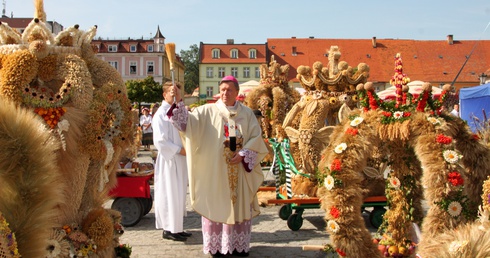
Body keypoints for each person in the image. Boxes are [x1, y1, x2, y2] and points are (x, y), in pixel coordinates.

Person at [167, 75, 268, 257]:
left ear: (237, 92)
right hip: (215, 170)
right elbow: (185, 124)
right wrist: (179, 99)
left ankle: (237, 246)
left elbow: (256, 138)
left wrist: (245, 153)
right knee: (216, 202)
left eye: (229, 89)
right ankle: (217, 247)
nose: (225, 93)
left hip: (239, 170)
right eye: (222, 89)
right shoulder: (206, 111)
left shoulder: (246, 114)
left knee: (238, 204)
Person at [152, 82, 191, 241]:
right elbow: (160, 141)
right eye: (171, 93)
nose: (174, 96)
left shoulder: (177, 111)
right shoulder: (160, 114)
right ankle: (169, 229)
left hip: (180, 159)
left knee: (179, 194)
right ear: (164, 95)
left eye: (177, 93)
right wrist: (179, 150)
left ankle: (177, 227)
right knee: (170, 193)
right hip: (169, 160)